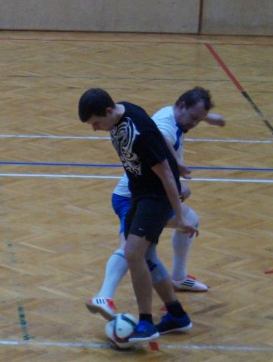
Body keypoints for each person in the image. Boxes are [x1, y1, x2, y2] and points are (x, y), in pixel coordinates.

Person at [86, 87, 226, 319]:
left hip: (147, 193)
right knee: (133, 250)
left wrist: (208, 118)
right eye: (194, 118)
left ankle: (177, 287)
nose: (194, 123)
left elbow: (163, 136)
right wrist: (178, 179)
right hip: (132, 196)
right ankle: (107, 297)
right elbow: (159, 146)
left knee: (151, 247)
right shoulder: (163, 128)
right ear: (181, 106)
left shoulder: (170, 112)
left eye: (198, 119)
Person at [78, 88, 198, 342]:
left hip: (156, 197)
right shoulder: (120, 113)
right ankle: (177, 315)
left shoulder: (137, 133)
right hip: (139, 193)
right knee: (147, 255)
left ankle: (146, 323)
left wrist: (180, 216)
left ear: (108, 111)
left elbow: (166, 174)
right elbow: (160, 137)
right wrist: (177, 161)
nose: (95, 129)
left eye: (96, 123)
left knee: (133, 253)